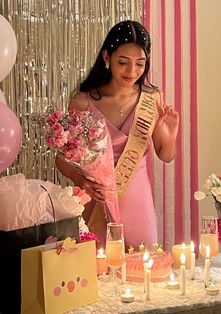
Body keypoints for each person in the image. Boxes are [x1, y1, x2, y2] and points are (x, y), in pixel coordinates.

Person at [55, 20, 179, 251]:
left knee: (143, 274)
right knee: (96, 275)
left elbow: (166, 155)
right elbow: (61, 159)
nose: (132, 72)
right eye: (123, 62)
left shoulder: (152, 99)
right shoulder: (82, 102)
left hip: (138, 204)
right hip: (97, 203)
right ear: (106, 57)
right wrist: (83, 182)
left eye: (140, 64)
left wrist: (169, 133)